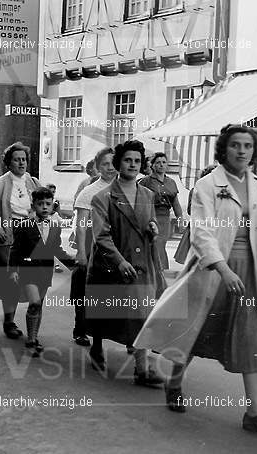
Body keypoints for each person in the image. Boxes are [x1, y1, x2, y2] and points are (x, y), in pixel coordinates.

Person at [137, 125, 257, 438]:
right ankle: (174, 382)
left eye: (247, 146)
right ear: (224, 149)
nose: (242, 151)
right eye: (235, 145)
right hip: (213, 269)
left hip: (252, 272)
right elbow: (202, 232)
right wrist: (223, 268)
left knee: (253, 335)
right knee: (194, 329)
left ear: (254, 151)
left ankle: (255, 412)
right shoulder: (208, 184)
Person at [85, 140, 164, 387]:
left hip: (142, 262)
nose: (132, 165)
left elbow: (150, 224)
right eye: (128, 160)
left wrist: (153, 229)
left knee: (144, 314)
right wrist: (119, 261)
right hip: (112, 263)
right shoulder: (102, 197)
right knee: (105, 312)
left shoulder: (148, 194)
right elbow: (101, 236)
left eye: (137, 161)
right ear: (118, 163)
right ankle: (96, 346)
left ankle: (142, 369)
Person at [0, 142, 41, 339]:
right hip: (8, 239)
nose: (21, 163)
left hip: (30, 239)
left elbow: (43, 205)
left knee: (33, 281)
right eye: (17, 159)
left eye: (24, 159)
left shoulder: (34, 183)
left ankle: (32, 327)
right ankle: (9, 321)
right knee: (11, 283)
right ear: (8, 162)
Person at [9, 187, 75, 356]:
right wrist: (13, 270)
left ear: (53, 205)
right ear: (33, 206)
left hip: (45, 272)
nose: (44, 207)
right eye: (40, 204)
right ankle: (31, 341)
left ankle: (33, 337)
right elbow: (15, 250)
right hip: (28, 271)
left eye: (48, 204)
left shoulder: (55, 227)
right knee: (35, 303)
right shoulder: (24, 226)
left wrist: (74, 265)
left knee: (39, 306)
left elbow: (57, 249)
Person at [71, 147, 116, 347]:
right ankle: (80, 329)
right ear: (97, 167)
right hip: (92, 245)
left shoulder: (124, 189)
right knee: (84, 289)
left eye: (113, 163)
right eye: (105, 164)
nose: (110, 168)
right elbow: (81, 225)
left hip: (116, 247)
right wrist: (81, 252)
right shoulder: (88, 192)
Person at [138, 152, 183, 270]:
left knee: (161, 243)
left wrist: (180, 219)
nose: (161, 165)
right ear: (152, 165)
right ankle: (158, 269)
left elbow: (176, 203)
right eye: (158, 162)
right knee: (155, 243)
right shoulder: (145, 182)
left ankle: (160, 270)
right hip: (150, 216)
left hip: (165, 218)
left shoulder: (171, 182)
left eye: (164, 162)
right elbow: (138, 202)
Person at [173, 164, 217, 265]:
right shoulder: (196, 190)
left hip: (214, 226)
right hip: (197, 225)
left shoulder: (219, 192)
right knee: (193, 257)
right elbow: (190, 210)